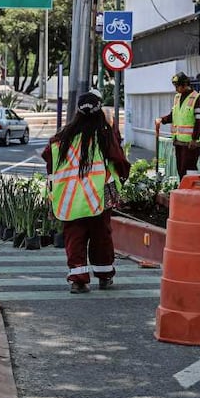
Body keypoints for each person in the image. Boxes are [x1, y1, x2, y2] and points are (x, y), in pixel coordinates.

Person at [42, 90, 131, 294]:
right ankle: (104, 275)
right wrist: (122, 178)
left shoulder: (62, 138)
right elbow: (119, 160)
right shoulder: (103, 135)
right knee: (101, 236)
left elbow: (49, 158)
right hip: (98, 196)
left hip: (68, 197)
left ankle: (78, 280)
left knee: (74, 237)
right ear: (100, 111)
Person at [155, 72, 200, 179]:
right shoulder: (177, 97)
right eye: (175, 86)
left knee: (189, 170)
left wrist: (195, 139)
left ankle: (190, 193)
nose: (176, 89)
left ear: (185, 85)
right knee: (180, 170)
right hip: (179, 142)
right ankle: (183, 192)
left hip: (190, 144)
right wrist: (161, 120)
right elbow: (173, 116)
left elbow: (199, 121)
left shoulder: (197, 98)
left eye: (177, 86)